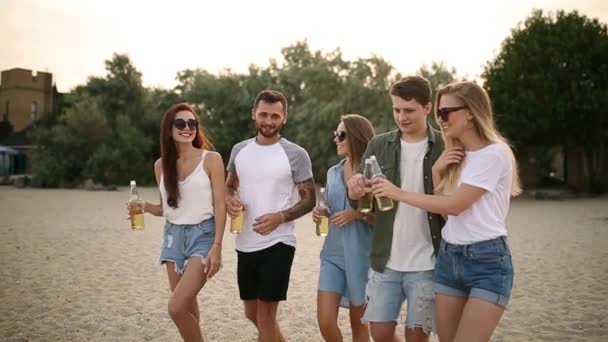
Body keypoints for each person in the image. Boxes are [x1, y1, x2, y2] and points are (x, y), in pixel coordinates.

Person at [370, 81, 520, 342]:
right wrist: (437, 173)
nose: (440, 120)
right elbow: (448, 216)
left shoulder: (494, 154)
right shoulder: (456, 156)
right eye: (439, 113)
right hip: (449, 258)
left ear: (471, 112)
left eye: (446, 113)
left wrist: (398, 193)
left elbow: (455, 205)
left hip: (487, 260)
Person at [347, 76, 445, 342]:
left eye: (409, 110)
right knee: (379, 332)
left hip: (428, 260)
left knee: (417, 335)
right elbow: (360, 199)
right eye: (396, 109)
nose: (401, 117)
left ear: (427, 108)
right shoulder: (378, 145)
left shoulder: (445, 147)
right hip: (385, 259)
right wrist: (355, 191)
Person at [127, 102, 226, 342]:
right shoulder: (161, 166)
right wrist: (145, 207)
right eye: (181, 123)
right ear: (168, 129)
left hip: (203, 237)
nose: (187, 128)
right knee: (187, 306)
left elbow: (220, 204)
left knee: (176, 307)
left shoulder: (211, 160)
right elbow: (168, 208)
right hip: (172, 239)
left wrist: (217, 246)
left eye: (192, 123)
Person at [225, 90, 316, 342]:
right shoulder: (239, 150)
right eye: (263, 114)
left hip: (279, 242)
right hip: (245, 242)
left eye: (275, 116)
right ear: (254, 114)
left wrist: (281, 217)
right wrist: (230, 198)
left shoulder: (296, 154)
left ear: (284, 118)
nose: (268, 121)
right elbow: (230, 185)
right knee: (251, 313)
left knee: (266, 317)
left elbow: (310, 199)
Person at [313, 114, 375, 342]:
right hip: (332, 255)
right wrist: (320, 210)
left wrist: (356, 214)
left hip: (362, 257)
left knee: (359, 326)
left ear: (357, 137)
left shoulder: (373, 173)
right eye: (335, 135)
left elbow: (387, 219)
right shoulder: (332, 172)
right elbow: (328, 205)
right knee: (325, 321)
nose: (336, 139)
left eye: (341, 135)